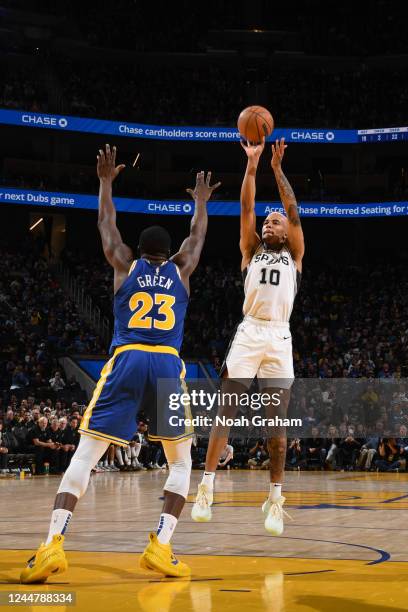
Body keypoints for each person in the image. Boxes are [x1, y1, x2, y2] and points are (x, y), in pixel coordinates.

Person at [20, 143, 220, 583]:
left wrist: (106, 181)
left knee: (88, 454)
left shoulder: (122, 264)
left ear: (138, 250)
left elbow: (104, 224)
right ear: (169, 254)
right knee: (181, 462)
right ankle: (161, 546)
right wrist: (200, 203)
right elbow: (198, 236)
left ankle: (53, 545)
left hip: (127, 358)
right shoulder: (182, 269)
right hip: (167, 363)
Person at [192, 137, 304, 536]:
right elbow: (245, 207)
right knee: (227, 408)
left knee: (277, 425)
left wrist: (277, 170)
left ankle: (275, 498)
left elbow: (292, 210)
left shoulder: (295, 255)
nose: (270, 222)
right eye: (267, 221)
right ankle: (205, 488)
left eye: (276, 221)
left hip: (279, 337)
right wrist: (253, 165)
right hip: (250, 332)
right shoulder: (250, 250)